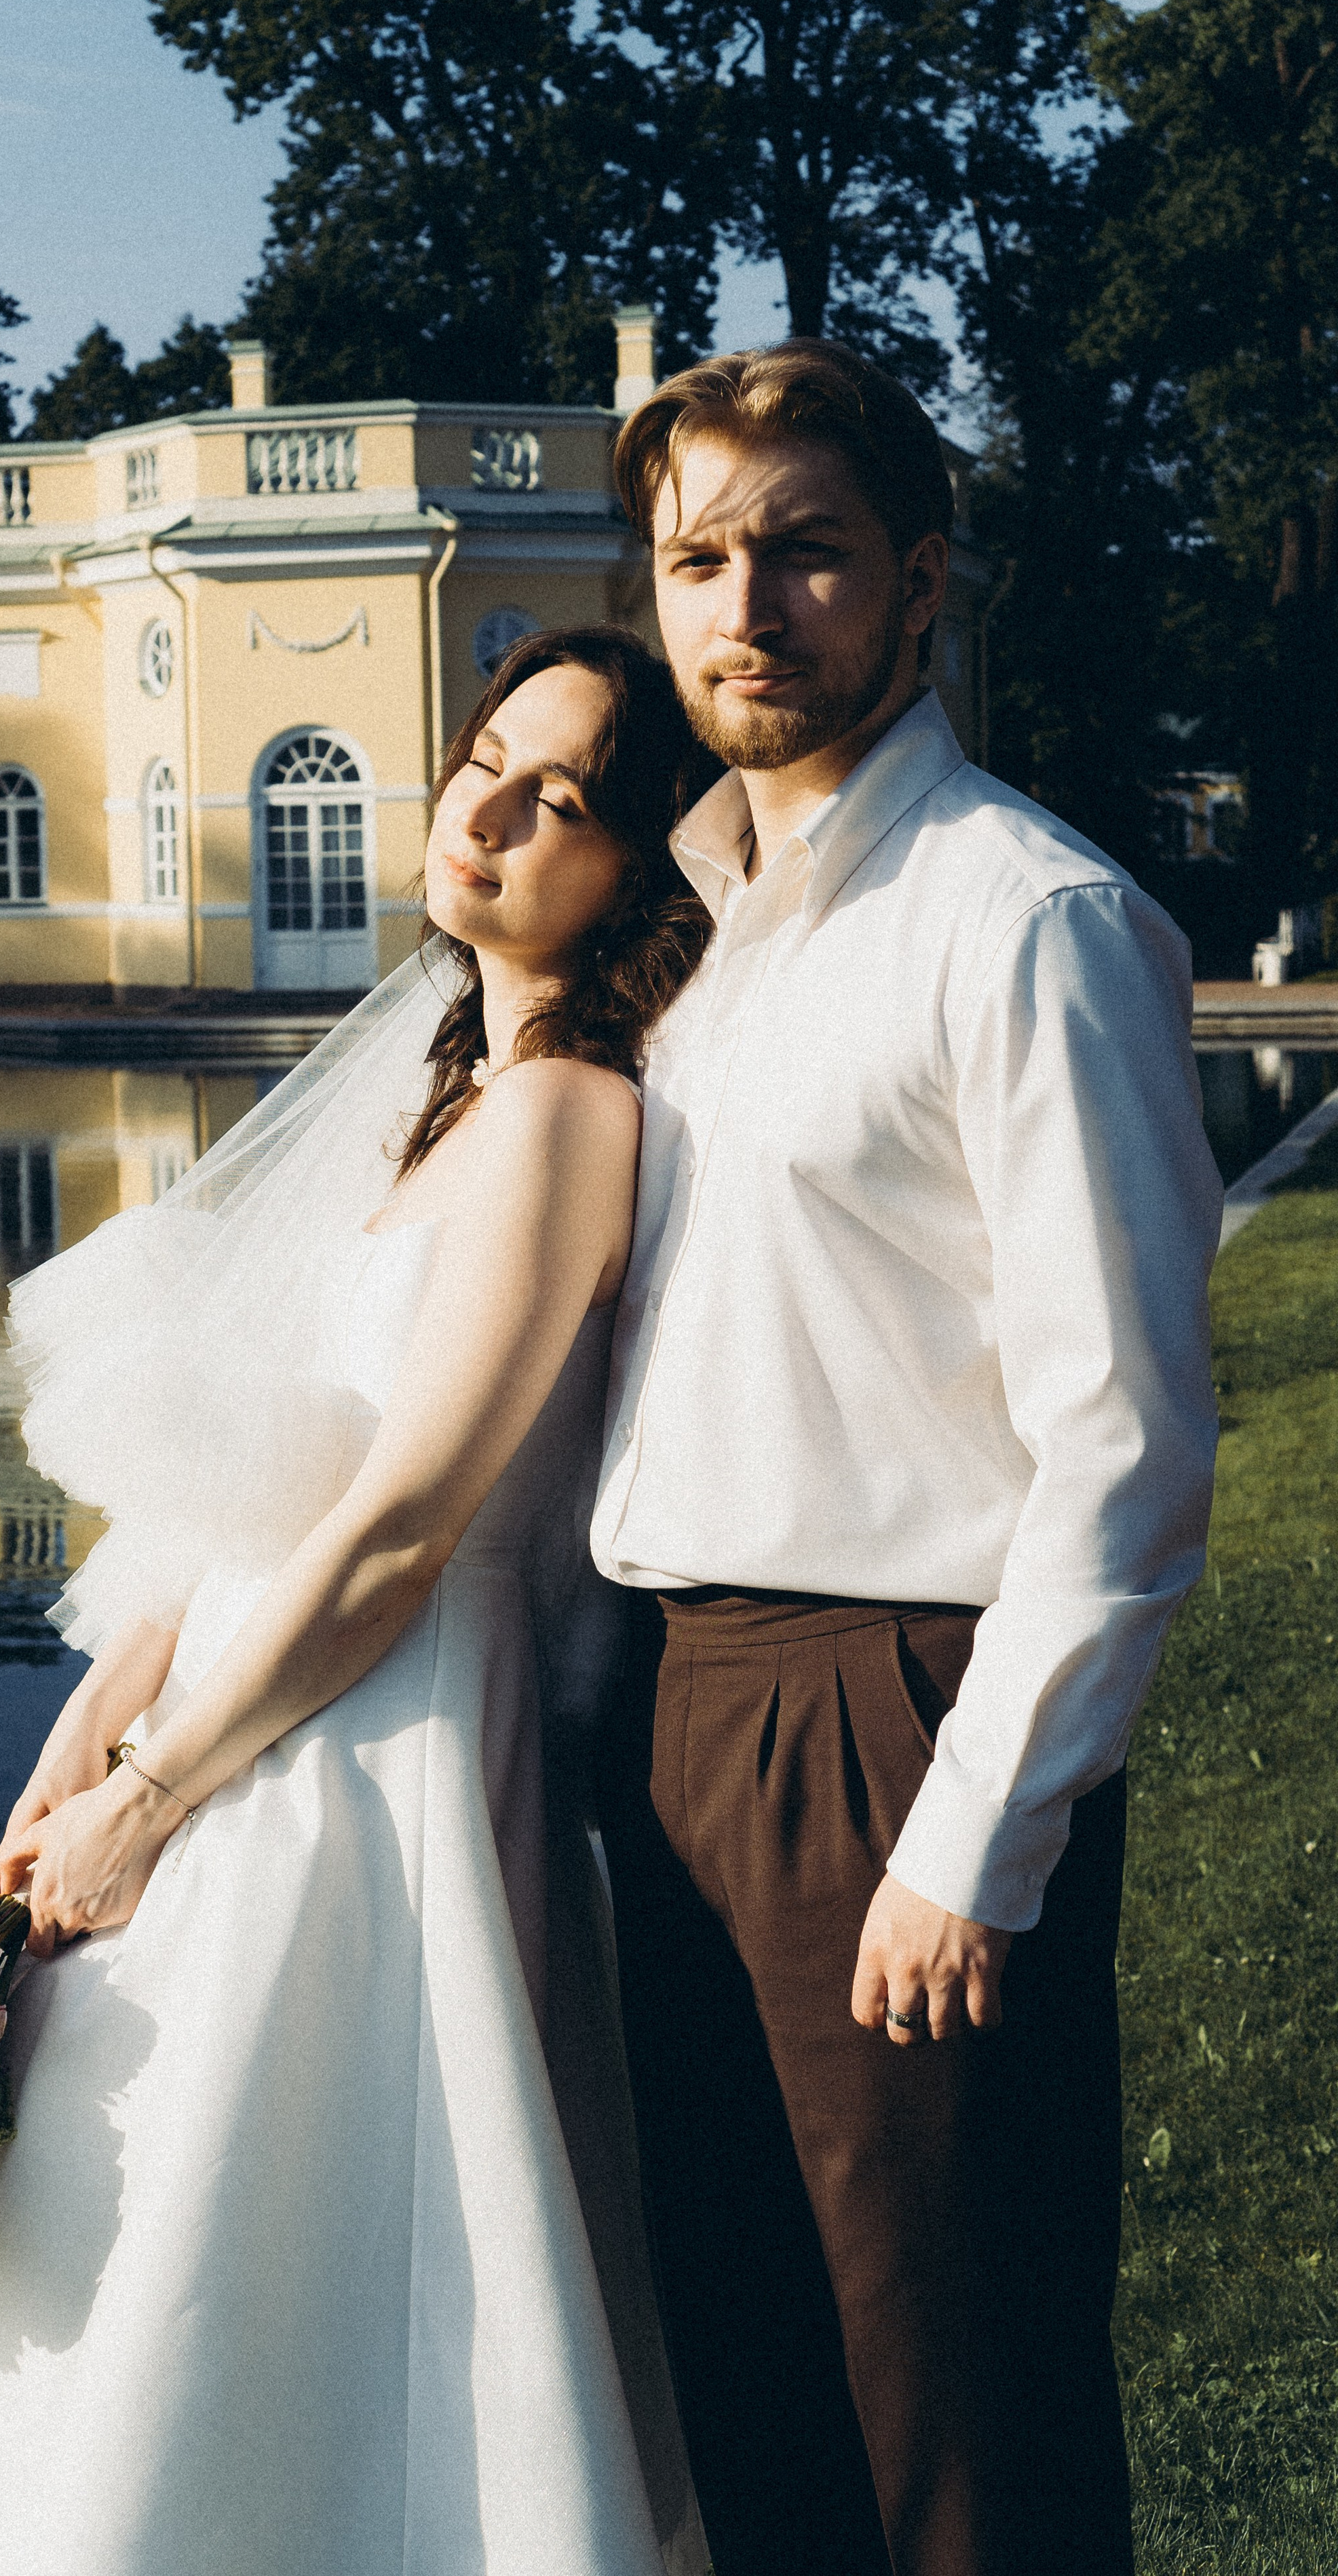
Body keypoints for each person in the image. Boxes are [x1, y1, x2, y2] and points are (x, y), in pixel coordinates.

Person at [0, 627, 713, 2576]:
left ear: (634, 871)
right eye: (486, 761)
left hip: (382, 1739)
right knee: (136, 2201)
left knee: (280, 2226)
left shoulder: (567, 1117)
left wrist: (158, 1790)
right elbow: (265, 1495)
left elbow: (404, 1526)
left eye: (565, 801)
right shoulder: (454, 1100)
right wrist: (86, 1734)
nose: (494, 815)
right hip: (260, 1684)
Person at [589, 340, 1223, 2576]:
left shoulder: (1024, 922)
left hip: (891, 1721)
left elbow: (1126, 1439)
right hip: (677, 1712)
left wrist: (975, 1832)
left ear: (922, 581)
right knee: (753, 2388)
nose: (748, 607)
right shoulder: (699, 929)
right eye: (698, 560)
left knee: (953, 2412)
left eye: (809, 552)